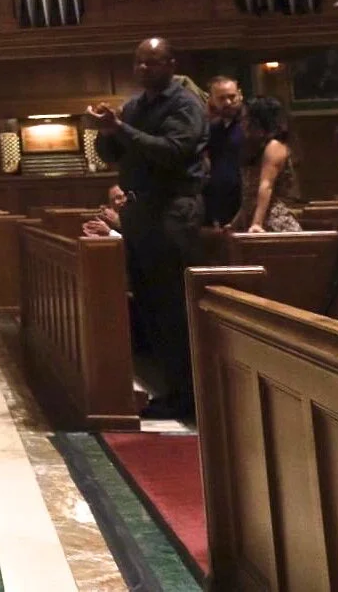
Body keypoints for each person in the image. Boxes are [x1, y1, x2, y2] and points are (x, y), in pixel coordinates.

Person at [88, 37, 207, 420]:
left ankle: (190, 395)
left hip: (173, 209)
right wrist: (107, 132)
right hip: (140, 211)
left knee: (173, 306)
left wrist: (120, 127)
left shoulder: (185, 104)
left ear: (171, 64)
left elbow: (172, 151)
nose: (143, 69)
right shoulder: (135, 106)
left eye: (152, 63)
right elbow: (112, 155)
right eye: (139, 62)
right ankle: (170, 388)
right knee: (149, 304)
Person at [233, 97, 303, 233]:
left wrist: (257, 223)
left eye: (246, 118)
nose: (242, 123)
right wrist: (235, 222)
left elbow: (266, 186)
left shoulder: (274, 146)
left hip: (273, 220)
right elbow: (249, 194)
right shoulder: (255, 147)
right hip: (253, 218)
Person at [202, 76, 245, 226]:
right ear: (211, 100)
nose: (227, 102)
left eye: (232, 97)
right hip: (220, 200)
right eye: (221, 98)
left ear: (240, 95)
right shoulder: (212, 128)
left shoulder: (251, 126)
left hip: (245, 198)